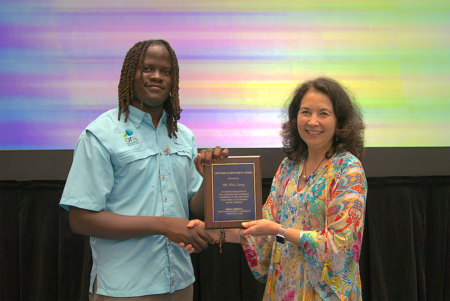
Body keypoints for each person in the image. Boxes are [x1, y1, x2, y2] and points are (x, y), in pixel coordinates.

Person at [60, 39, 228, 300]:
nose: (157, 77)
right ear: (130, 74)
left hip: (180, 285)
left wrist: (211, 180)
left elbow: (193, 210)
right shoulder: (100, 135)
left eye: (166, 71)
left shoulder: (184, 137)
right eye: (147, 68)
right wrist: (163, 225)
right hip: (124, 289)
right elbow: (80, 219)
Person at [180, 77, 367, 300]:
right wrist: (210, 232)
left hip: (325, 294)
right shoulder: (289, 167)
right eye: (306, 112)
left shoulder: (348, 169)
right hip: (284, 289)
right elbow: (261, 232)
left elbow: (341, 247)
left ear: (340, 121)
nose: (312, 121)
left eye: (323, 113)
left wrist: (279, 231)